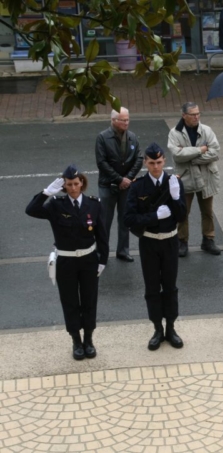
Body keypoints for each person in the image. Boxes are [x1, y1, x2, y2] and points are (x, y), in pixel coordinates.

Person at [26, 165, 108, 360]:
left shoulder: (94, 204)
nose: (73, 188)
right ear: (64, 185)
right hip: (66, 260)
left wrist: (102, 260)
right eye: (69, 184)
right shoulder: (56, 205)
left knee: (89, 300)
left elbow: (102, 235)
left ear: (82, 184)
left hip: (88, 260)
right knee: (70, 301)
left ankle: (88, 339)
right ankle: (76, 341)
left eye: (76, 184)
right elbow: (31, 210)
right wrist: (46, 193)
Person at [124, 144, 187, 351]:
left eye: (159, 162)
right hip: (149, 242)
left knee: (170, 286)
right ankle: (157, 329)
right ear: (145, 163)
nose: (156, 167)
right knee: (152, 287)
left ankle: (171, 327)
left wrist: (177, 198)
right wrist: (153, 216)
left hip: (169, 241)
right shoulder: (137, 186)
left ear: (164, 162)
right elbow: (129, 219)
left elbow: (182, 216)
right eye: (151, 163)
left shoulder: (173, 183)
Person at [168, 102, 222, 257]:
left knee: (207, 211)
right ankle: (182, 241)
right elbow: (177, 155)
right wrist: (200, 150)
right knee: (183, 212)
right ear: (184, 115)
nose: (196, 117)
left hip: (206, 176)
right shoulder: (174, 133)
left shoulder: (207, 130)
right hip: (185, 178)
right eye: (193, 114)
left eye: (198, 113)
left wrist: (193, 158)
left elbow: (215, 152)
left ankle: (208, 239)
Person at [95, 107, 142, 262]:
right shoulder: (102, 137)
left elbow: (139, 159)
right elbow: (102, 163)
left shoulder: (132, 137)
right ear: (113, 120)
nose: (126, 123)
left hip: (126, 186)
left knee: (125, 219)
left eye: (128, 119)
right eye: (123, 120)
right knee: (104, 221)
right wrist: (119, 179)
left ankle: (123, 250)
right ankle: (102, 252)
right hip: (108, 185)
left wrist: (127, 178)